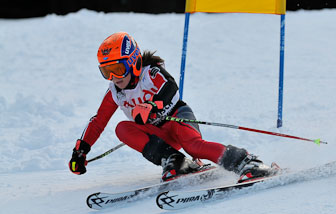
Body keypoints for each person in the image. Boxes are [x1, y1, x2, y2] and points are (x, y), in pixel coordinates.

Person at [69, 32, 274, 182]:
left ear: (132, 62)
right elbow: (98, 121)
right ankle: (175, 160)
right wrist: (81, 151)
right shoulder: (115, 92)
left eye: (117, 69)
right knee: (122, 128)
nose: (113, 78)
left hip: (178, 119)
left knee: (194, 146)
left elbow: (171, 87)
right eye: (106, 72)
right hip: (159, 135)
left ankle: (247, 162)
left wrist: (153, 105)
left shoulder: (150, 73)